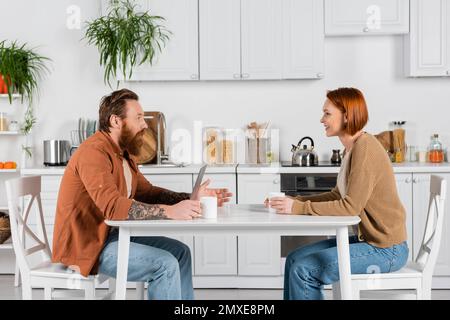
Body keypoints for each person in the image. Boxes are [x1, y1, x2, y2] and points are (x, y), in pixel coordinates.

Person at [52, 88, 232, 300]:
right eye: (138, 118)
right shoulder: (94, 152)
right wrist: (169, 212)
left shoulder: (123, 153)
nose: (145, 124)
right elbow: (113, 207)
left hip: (113, 235)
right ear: (116, 121)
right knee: (164, 265)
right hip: (89, 245)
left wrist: (190, 198)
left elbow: (148, 192)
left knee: (180, 253)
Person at [266, 87, 409, 300]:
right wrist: (294, 200)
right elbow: (337, 195)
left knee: (304, 270)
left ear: (347, 116)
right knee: (294, 259)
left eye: (327, 113)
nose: (322, 119)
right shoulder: (351, 148)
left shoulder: (365, 149)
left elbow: (350, 207)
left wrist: (299, 208)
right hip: (368, 241)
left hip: (386, 249)